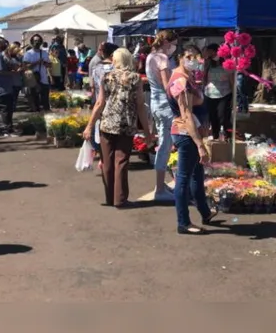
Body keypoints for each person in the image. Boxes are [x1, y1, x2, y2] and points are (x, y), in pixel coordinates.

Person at [83, 48, 154, 209]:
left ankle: (109, 197)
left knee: (107, 162)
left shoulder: (107, 77)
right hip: (126, 124)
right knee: (121, 161)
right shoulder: (135, 79)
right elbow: (140, 106)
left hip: (107, 123)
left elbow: (100, 103)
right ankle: (120, 199)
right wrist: (147, 132)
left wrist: (89, 125)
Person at [166, 44, 217, 234]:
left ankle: (205, 212)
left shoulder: (187, 78)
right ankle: (183, 223)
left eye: (196, 57)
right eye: (188, 56)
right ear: (180, 57)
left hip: (191, 132)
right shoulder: (180, 80)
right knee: (184, 178)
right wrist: (200, 145)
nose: (192, 60)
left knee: (196, 174)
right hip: (186, 134)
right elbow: (186, 114)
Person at [145, 31, 177, 201]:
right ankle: (159, 188)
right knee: (165, 145)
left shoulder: (150, 57)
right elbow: (167, 85)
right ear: (167, 43)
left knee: (163, 143)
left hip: (155, 103)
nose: (174, 48)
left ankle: (161, 184)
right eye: (174, 44)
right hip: (165, 105)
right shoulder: (162, 58)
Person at [202, 43, 233, 141]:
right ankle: (215, 136)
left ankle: (227, 135)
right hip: (209, 94)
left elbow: (232, 80)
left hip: (224, 94)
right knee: (212, 116)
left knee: (223, 116)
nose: (207, 53)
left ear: (215, 51)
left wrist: (234, 95)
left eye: (209, 51)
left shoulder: (226, 63)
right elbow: (204, 78)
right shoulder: (206, 63)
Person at [22, 34, 51, 112]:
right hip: (33, 79)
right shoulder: (28, 53)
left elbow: (49, 65)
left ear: (41, 42)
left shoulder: (44, 53)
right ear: (32, 42)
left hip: (43, 79)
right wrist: (37, 62)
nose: (37, 42)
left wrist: (44, 63)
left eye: (38, 40)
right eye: (35, 40)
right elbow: (25, 67)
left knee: (45, 101)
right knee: (35, 101)